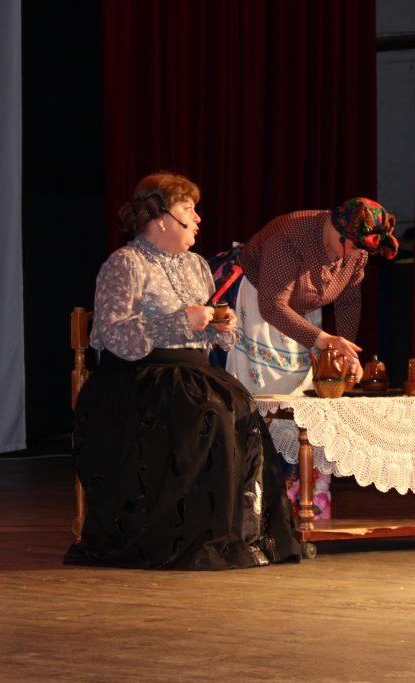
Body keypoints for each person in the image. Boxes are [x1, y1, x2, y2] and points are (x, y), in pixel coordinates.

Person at [65, 171, 300, 570]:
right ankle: (183, 535)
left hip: (192, 373)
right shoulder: (125, 264)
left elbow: (207, 334)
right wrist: (181, 321)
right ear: (161, 218)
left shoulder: (196, 265)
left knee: (239, 408)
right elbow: (115, 336)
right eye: (188, 209)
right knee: (207, 414)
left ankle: (229, 535)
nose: (197, 218)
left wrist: (219, 326)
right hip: (139, 376)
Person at [226, 198, 399, 519]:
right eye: (352, 248)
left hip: (305, 316)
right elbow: (273, 306)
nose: (355, 257)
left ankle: (304, 501)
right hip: (261, 309)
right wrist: (323, 340)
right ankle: (261, 503)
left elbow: (348, 302)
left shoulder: (356, 251)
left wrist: (343, 350)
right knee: (269, 403)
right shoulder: (289, 236)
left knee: (307, 406)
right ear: (336, 230)